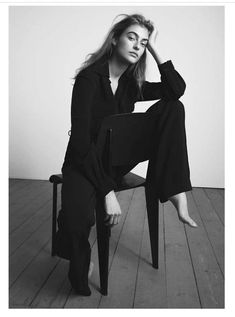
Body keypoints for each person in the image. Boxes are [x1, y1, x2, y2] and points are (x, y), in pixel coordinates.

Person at [55, 13, 198, 296]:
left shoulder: (132, 83)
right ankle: (80, 261)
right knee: (76, 223)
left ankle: (175, 189)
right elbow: (82, 143)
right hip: (84, 163)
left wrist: (157, 53)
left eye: (143, 43)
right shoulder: (89, 79)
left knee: (172, 108)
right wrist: (106, 192)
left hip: (116, 161)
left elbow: (176, 91)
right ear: (115, 38)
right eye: (131, 38)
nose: (137, 46)